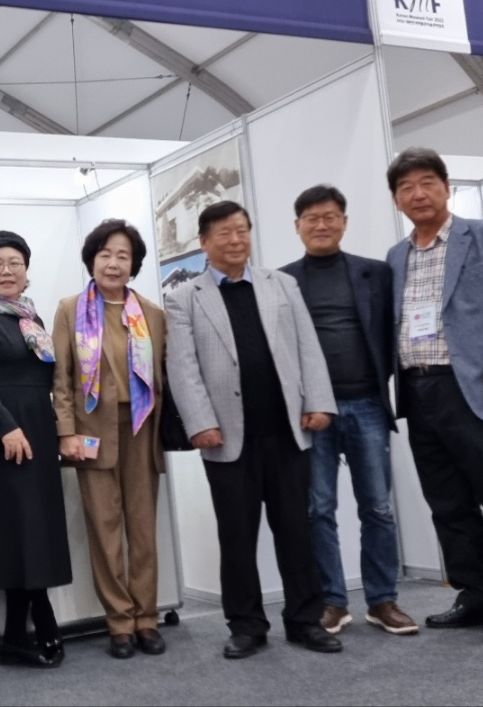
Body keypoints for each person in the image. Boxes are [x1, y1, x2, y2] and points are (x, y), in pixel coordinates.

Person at [165, 200, 341, 659]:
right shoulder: (184, 297)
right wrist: (200, 423)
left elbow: (307, 346)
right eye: (224, 232)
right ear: (204, 242)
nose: (235, 239)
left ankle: (305, 620)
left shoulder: (281, 284)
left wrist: (318, 402)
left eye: (242, 230)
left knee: (296, 531)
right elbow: (182, 367)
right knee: (237, 537)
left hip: (287, 431)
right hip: (226, 438)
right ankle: (246, 625)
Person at [385, 147, 483, 645]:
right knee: (448, 504)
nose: (418, 194)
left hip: (476, 387)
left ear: (447, 188)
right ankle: (477, 593)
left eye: (427, 182)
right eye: (406, 187)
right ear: (396, 199)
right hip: (417, 390)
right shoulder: (396, 256)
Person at [280, 185, 417, 637]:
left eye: (330, 216)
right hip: (312, 411)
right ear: (297, 225)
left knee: (377, 507)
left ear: (344, 221)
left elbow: (393, 332)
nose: (321, 225)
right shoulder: (282, 281)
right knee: (318, 509)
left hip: (367, 405)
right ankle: (332, 602)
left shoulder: (375, 273)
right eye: (312, 218)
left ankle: (382, 600)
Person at [0, 231, 71, 668]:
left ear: (26, 270)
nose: (7, 271)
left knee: (35, 526)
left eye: (15, 262)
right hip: (1, 432)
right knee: (15, 527)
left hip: (37, 425)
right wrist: (5, 427)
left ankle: (19, 632)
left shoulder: (31, 317)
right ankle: (36, 620)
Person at [51, 220, 168, 660]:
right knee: (104, 528)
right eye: (105, 254)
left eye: (122, 255)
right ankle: (119, 622)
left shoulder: (152, 313)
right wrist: (66, 431)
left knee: (143, 528)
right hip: (92, 431)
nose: (113, 263)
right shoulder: (70, 310)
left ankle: (147, 618)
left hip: (141, 428)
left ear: (134, 264)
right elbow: (62, 377)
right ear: (91, 261)